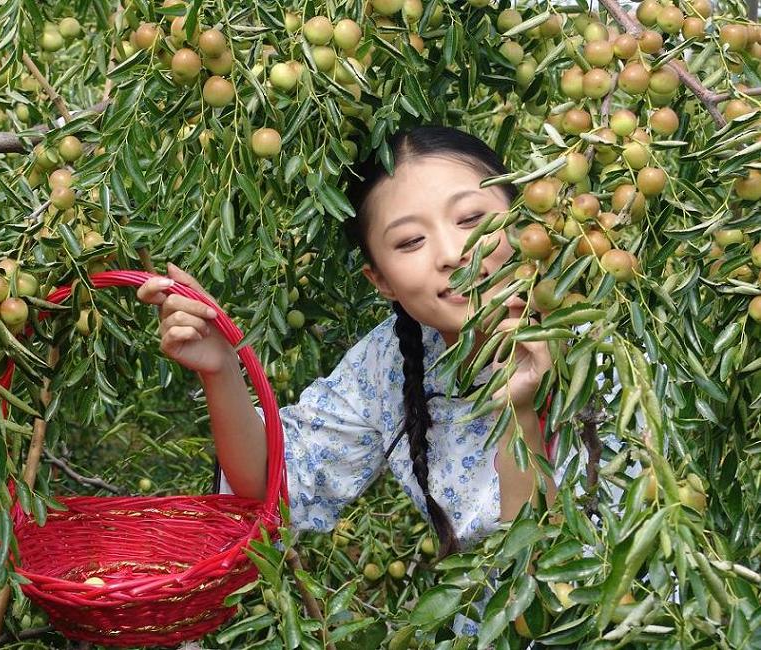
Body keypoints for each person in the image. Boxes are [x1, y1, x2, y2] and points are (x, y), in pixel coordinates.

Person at [136, 125, 559, 562]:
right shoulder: (389, 363)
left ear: (522, 218)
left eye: (471, 218)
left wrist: (522, 414)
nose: (452, 252)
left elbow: (547, 585)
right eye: (411, 240)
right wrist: (220, 366)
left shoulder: (601, 331)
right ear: (381, 282)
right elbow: (272, 482)